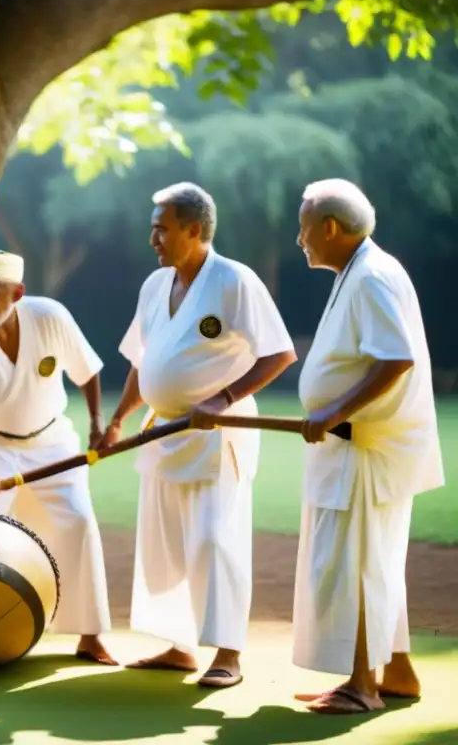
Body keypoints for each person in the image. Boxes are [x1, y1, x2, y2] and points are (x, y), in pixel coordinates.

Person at [106, 182, 296, 687]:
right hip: (164, 432)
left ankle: (229, 653)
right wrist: (118, 418)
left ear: (194, 230)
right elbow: (141, 362)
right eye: (153, 229)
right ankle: (179, 645)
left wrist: (224, 398)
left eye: (161, 229)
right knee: (165, 543)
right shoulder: (155, 285)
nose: (153, 240)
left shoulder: (234, 280)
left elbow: (278, 353)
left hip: (219, 433)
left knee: (216, 539)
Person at [290, 179, 443, 715]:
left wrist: (333, 411)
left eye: (305, 228)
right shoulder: (360, 271)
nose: (299, 239)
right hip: (354, 448)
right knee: (372, 561)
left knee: (358, 564)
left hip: (367, 450)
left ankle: (362, 685)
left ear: (330, 227)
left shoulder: (373, 275)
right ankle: (397, 671)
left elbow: (395, 358)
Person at [0, 249, 116, 664]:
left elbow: (88, 371)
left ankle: (89, 637)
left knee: (78, 521)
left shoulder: (50, 316)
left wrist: (96, 423)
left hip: (53, 441)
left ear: (18, 293)